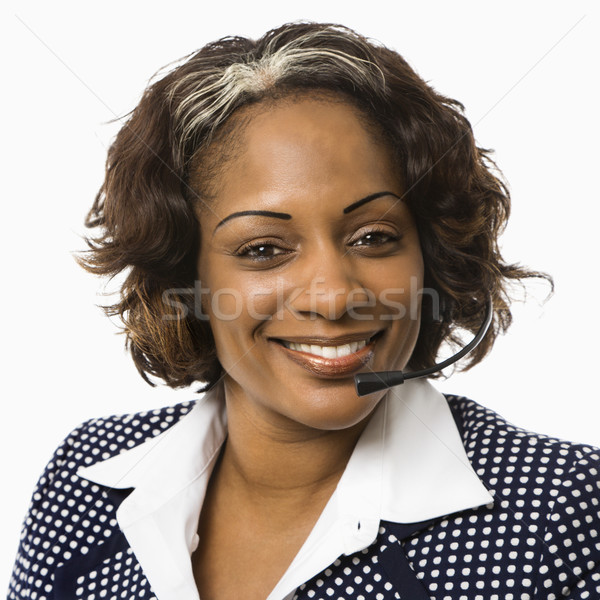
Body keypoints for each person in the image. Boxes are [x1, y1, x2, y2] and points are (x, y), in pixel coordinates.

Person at [8, 22, 600, 600]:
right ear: (186, 277)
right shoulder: (82, 482)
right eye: (263, 249)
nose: (333, 295)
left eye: (373, 237)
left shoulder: (560, 512)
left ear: (431, 254)